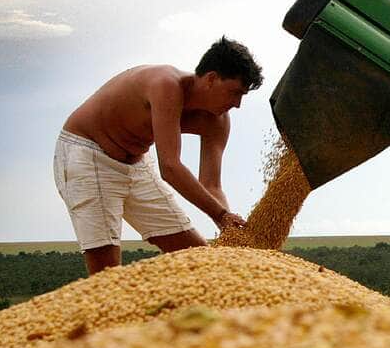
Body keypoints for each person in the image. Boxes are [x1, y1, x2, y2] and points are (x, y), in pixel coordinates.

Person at [54, 36, 262, 275]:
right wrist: (221, 214)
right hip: (88, 155)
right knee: (107, 273)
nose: (237, 104)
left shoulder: (219, 121)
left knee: (197, 258)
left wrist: (228, 226)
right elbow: (170, 167)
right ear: (211, 79)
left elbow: (211, 184)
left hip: (136, 163)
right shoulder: (166, 85)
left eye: (242, 96)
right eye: (234, 93)